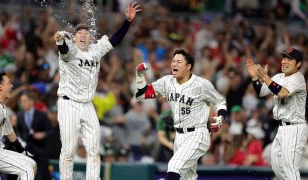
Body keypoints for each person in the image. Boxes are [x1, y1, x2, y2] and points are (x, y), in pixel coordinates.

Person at [53, 2, 141, 180]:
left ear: (91, 37)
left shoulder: (96, 49)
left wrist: (127, 22)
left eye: (86, 33)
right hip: (68, 103)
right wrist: (61, 40)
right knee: (69, 149)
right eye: (80, 33)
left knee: (94, 149)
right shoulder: (70, 50)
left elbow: (115, 40)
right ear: (75, 37)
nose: (84, 35)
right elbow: (63, 48)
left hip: (87, 104)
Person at [135, 48, 227, 180]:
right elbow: (143, 93)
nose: (174, 64)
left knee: (174, 166)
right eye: (173, 61)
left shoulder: (201, 84)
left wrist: (220, 117)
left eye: (179, 62)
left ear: (188, 66)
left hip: (197, 135)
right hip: (179, 136)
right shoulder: (167, 81)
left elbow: (220, 101)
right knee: (187, 177)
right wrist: (139, 75)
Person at [246, 47, 308, 179]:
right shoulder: (279, 76)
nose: (284, 61)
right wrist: (256, 79)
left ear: (298, 64)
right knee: (276, 166)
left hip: (295, 127)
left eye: (290, 59)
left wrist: (265, 77)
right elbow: (261, 92)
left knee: (289, 167)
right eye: (284, 58)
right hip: (281, 128)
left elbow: (282, 93)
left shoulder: (298, 78)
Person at [0, 72, 36, 180]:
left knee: (31, 165)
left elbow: (9, 131)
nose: (12, 86)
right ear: (0, 87)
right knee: (27, 169)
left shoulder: (2, 107)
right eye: (9, 83)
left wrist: (21, 150)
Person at [17, 92, 53, 180]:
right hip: (27, 150)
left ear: (31, 101)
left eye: (24, 101)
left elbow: (51, 130)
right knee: (29, 174)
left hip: (41, 150)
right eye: (21, 101)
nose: (22, 104)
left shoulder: (41, 115)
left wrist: (43, 134)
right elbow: (19, 130)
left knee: (43, 174)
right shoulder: (20, 115)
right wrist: (23, 139)